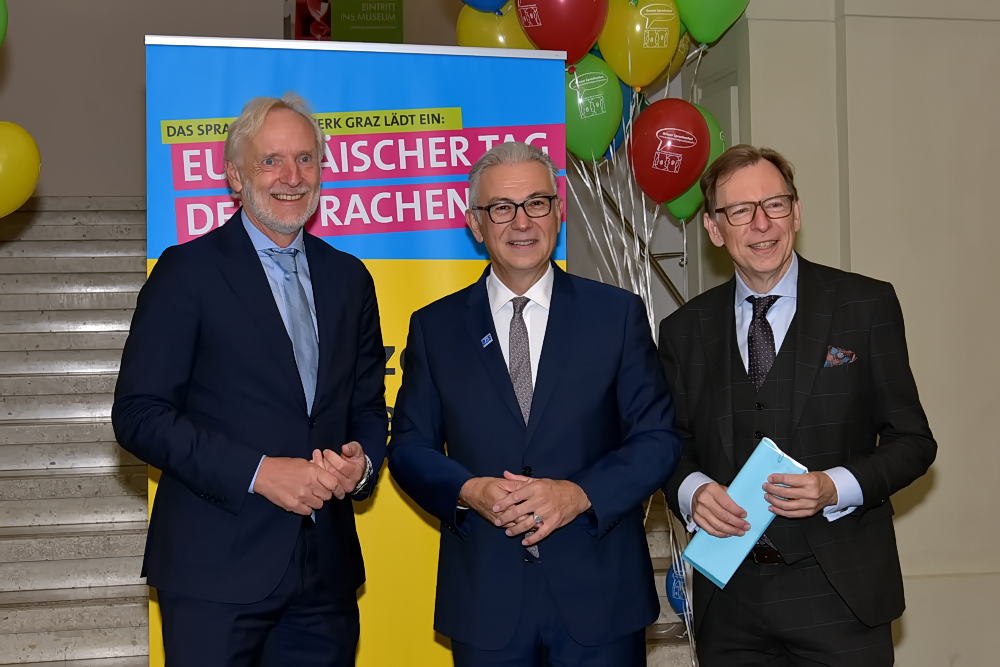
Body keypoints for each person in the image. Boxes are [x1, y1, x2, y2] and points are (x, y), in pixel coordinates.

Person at [112, 93, 387, 666]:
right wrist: (259, 472)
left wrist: (360, 465)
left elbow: (366, 405)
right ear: (235, 176)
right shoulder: (186, 272)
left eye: (305, 159)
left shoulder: (350, 279)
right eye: (271, 161)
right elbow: (139, 415)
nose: (292, 176)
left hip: (327, 580)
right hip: (214, 573)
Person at [388, 141, 680, 666]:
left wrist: (580, 494)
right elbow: (409, 448)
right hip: (486, 600)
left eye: (536, 203)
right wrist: (468, 490)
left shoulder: (616, 315)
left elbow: (656, 439)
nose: (521, 222)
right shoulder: (435, 328)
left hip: (601, 598)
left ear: (558, 211)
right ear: (476, 224)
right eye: (501, 207)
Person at [659, 144, 936, 665]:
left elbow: (913, 442)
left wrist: (835, 487)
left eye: (775, 204)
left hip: (842, 598)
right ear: (715, 229)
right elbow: (669, 445)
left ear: (797, 212)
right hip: (730, 604)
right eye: (740, 211)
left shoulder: (865, 305)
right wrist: (693, 491)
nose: (762, 224)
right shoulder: (683, 330)